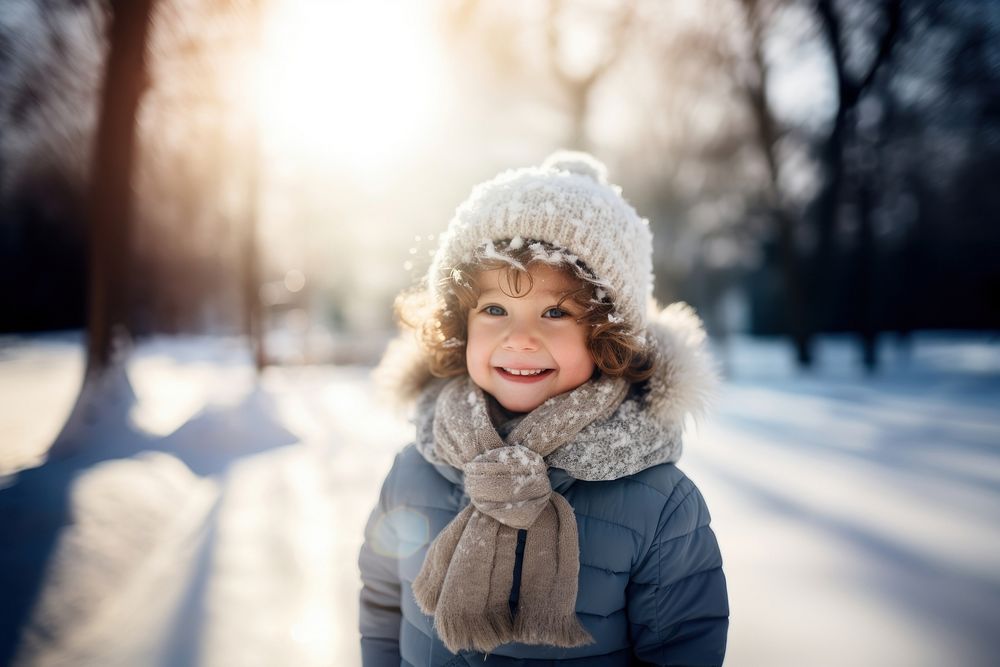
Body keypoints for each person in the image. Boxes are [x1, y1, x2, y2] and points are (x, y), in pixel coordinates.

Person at [359, 151, 729, 666]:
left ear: (607, 336)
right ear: (459, 323)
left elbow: (682, 648)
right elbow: (382, 604)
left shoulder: (659, 504)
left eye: (555, 311)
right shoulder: (415, 468)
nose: (521, 339)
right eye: (494, 309)